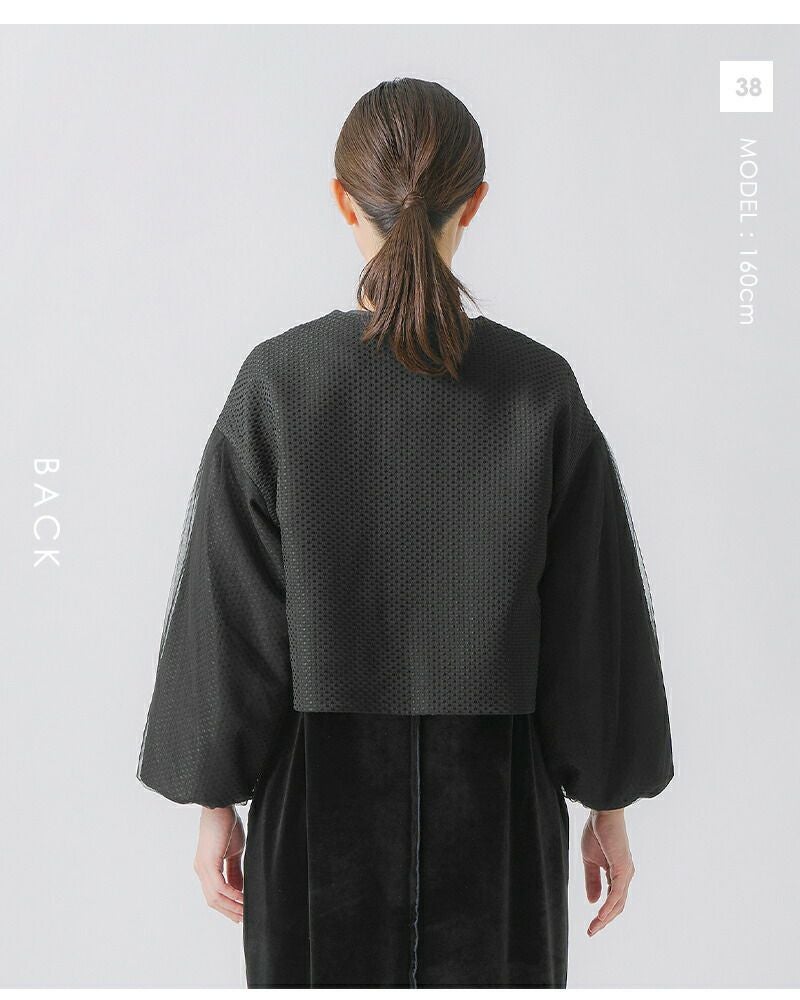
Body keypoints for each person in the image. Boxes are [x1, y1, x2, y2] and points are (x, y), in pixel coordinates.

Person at [136, 77, 674, 988]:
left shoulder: (279, 385)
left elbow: (231, 616)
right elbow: (594, 620)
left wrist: (215, 802)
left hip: (317, 804)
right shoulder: (538, 390)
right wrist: (608, 805)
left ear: (343, 201)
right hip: (498, 805)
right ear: (476, 203)